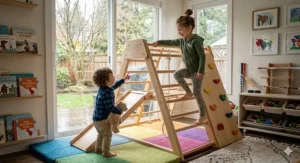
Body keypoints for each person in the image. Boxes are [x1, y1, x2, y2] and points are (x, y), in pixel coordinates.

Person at [149, 9, 207, 125]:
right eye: (178, 30)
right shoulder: (182, 41)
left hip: (196, 72)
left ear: (189, 28)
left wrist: (201, 71)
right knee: (177, 74)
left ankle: (202, 116)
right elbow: (170, 42)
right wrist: (158, 42)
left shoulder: (196, 41)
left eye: (181, 30)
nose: (179, 32)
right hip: (189, 70)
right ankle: (187, 92)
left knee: (197, 93)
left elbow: (202, 56)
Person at [92, 67, 130, 157]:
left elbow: (115, 85)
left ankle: (98, 149)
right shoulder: (108, 92)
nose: (114, 77)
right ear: (106, 81)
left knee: (100, 135)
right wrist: (119, 111)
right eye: (112, 76)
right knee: (107, 136)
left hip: (96, 119)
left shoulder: (103, 88)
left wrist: (124, 79)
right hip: (103, 120)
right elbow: (110, 107)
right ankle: (106, 152)